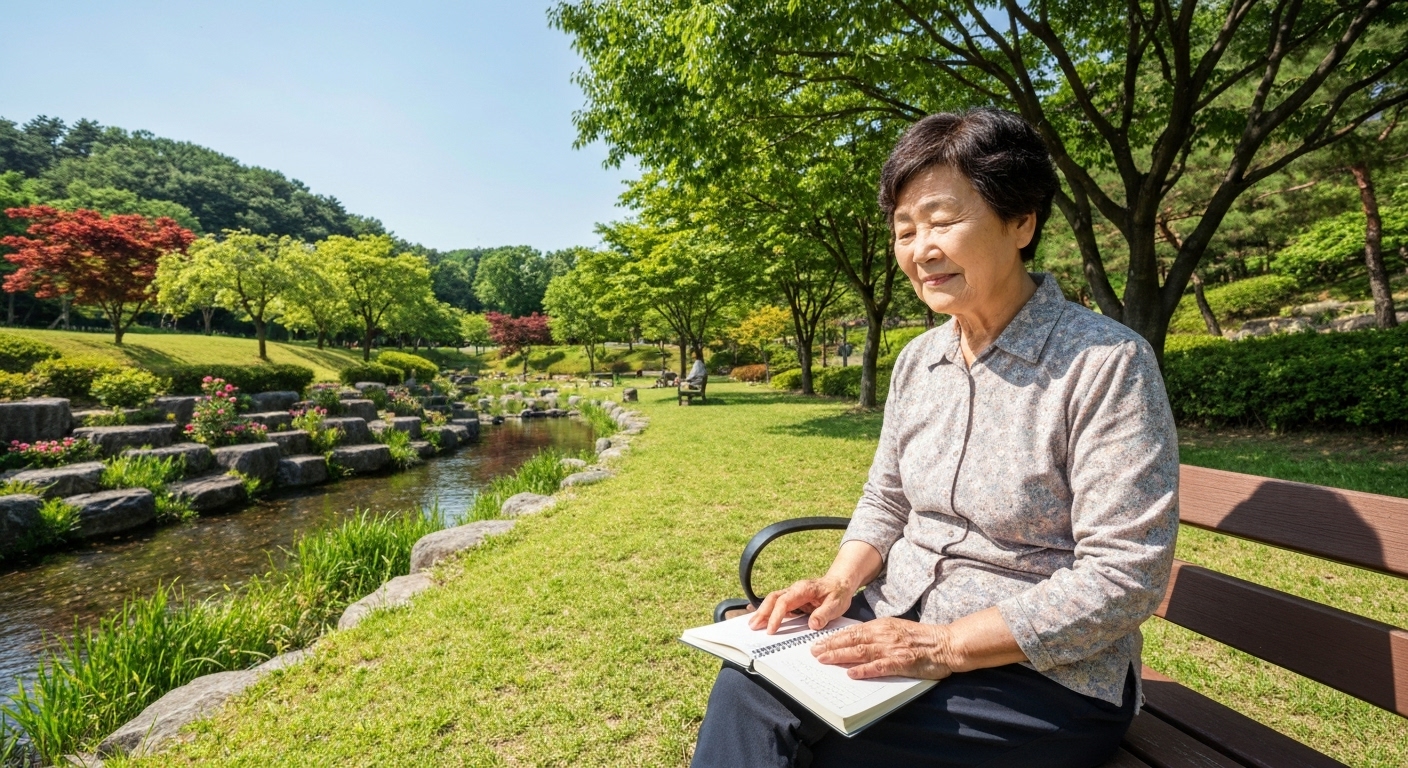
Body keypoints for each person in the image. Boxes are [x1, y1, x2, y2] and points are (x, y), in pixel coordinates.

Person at [690, 108, 1178, 768]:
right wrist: (839, 581)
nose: (921, 249)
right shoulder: (920, 360)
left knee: (820, 741)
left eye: (943, 221)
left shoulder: (1104, 364)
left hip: (1040, 676)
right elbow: (886, 500)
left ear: (1022, 222)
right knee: (750, 684)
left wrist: (943, 647)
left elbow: (1125, 574)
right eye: (905, 229)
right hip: (900, 621)